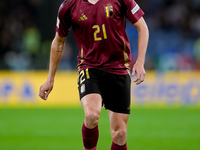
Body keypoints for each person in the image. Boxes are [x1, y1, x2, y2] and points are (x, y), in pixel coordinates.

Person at [39, 0, 149, 149]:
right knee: (91, 115)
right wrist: (50, 79)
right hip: (89, 67)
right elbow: (59, 41)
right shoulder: (68, 6)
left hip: (118, 68)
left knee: (120, 134)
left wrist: (140, 62)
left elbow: (142, 27)